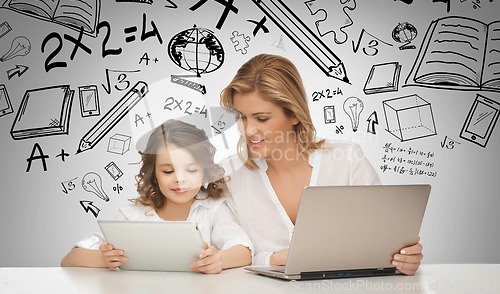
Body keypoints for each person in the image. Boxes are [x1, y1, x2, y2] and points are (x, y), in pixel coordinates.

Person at [219, 53, 423, 275]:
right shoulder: (228, 175)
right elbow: (231, 254)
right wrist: (275, 258)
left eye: (262, 118)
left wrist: (404, 258)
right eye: (241, 117)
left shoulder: (347, 160)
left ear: (294, 115)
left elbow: (384, 241)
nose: (248, 130)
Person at [61, 119, 252, 274]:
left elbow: (244, 252)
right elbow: (69, 259)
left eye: (191, 170)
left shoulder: (213, 209)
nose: (179, 179)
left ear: (204, 171)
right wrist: (103, 259)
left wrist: (219, 260)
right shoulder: (132, 216)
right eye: (168, 171)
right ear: (154, 174)